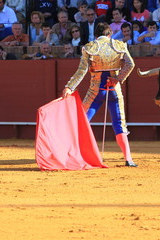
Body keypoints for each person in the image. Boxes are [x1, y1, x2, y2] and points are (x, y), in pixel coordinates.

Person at [61, 22, 137, 167]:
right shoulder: (119, 45)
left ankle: (72, 155)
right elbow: (130, 64)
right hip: (114, 90)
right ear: (110, 34)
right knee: (119, 124)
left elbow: (82, 71)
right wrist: (118, 79)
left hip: (95, 91)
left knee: (82, 122)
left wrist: (69, 87)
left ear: (95, 35)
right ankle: (128, 159)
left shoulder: (90, 47)